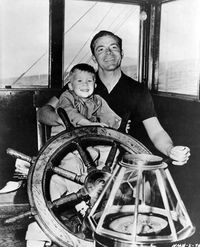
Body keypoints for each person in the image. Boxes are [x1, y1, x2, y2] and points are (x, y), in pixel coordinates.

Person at [37, 30, 190, 166]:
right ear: (94, 58)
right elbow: (43, 112)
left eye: (113, 47)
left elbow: (156, 132)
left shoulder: (138, 90)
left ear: (122, 53)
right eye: (101, 49)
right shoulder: (82, 85)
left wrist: (171, 150)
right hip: (81, 158)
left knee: (146, 192)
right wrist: (67, 121)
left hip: (123, 161)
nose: (108, 53)